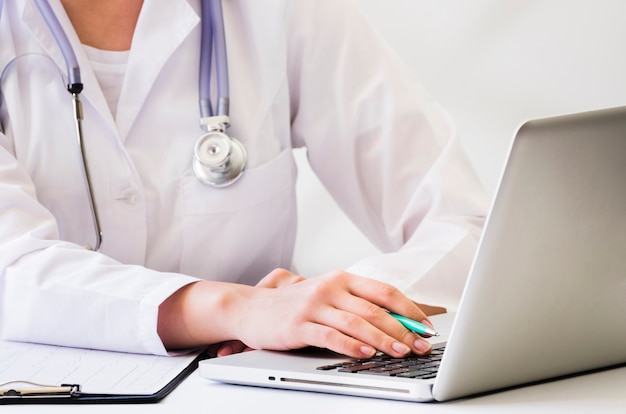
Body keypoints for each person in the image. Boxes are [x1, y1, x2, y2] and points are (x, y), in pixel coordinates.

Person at [0, 0, 487, 359]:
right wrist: (236, 309)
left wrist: (331, 314)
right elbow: (11, 273)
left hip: (251, 389)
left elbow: (461, 222)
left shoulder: (284, 12)